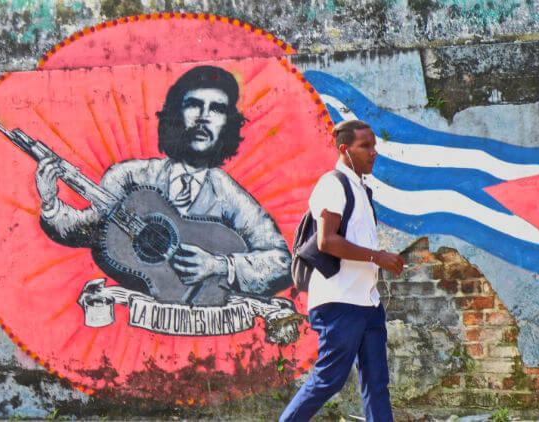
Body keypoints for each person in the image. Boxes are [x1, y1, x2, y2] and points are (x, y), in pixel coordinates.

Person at [35, 65, 292, 305]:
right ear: (175, 115)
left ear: (228, 124)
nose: (203, 118)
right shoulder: (130, 178)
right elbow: (89, 229)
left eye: (216, 109)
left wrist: (219, 266)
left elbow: (282, 263)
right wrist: (50, 205)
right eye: (193, 105)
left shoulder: (228, 194)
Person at [280, 120, 405, 422]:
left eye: (374, 145)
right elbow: (327, 241)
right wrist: (378, 257)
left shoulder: (361, 188)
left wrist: (379, 260)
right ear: (344, 150)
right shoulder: (333, 183)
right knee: (329, 379)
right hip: (339, 303)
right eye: (365, 146)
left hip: (368, 303)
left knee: (377, 385)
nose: (374, 152)